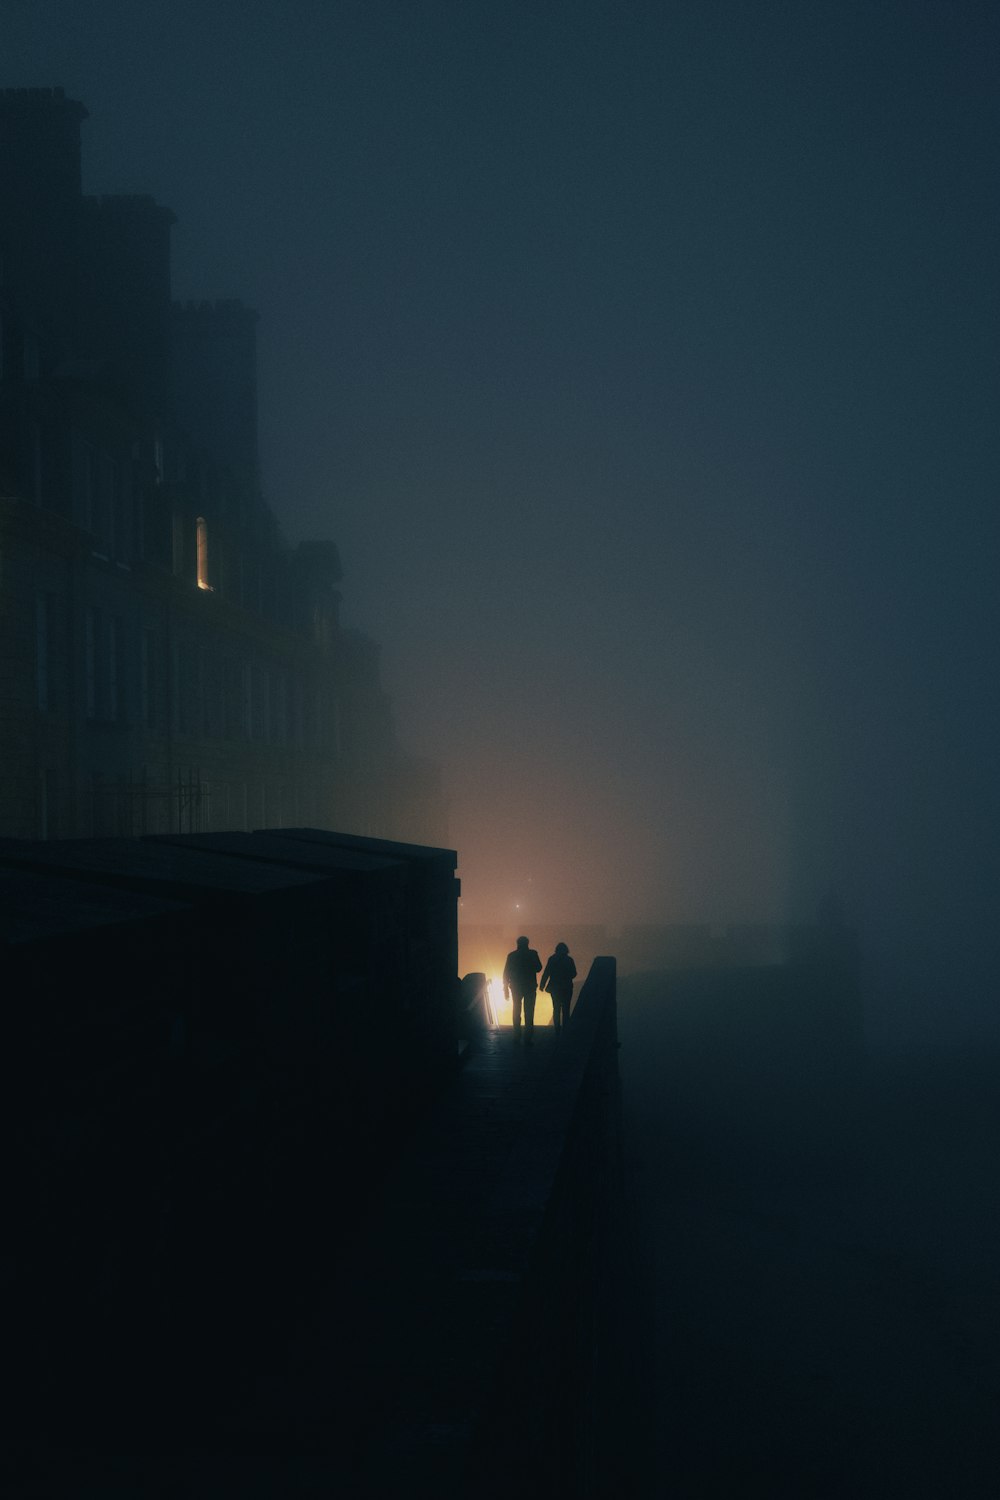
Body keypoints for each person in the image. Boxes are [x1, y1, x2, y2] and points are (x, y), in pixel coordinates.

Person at [503, 935, 542, 1042]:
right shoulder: (533, 954)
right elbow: (539, 968)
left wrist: (505, 988)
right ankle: (528, 1037)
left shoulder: (511, 956)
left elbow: (506, 973)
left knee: (516, 1010)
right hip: (530, 986)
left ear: (518, 944)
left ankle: (517, 1035)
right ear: (527, 943)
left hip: (515, 986)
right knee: (529, 1012)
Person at [541, 942, 577, 1030]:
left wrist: (542, 985)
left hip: (554, 987)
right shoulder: (569, 960)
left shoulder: (552, 959)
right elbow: (574, 973)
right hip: (567, 987)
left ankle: (557, 1028)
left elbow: (546, 973)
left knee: (556, 1008)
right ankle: (566, 1028)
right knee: (566, 1008)